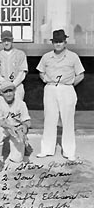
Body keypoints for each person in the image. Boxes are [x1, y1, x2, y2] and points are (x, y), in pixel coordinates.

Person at [36, 29, 85, 162]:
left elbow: (80, 74)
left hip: (66, 89)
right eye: (56, 42)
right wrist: (46, 80)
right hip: (50, 88)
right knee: (49, 119)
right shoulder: (46, 57)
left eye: (60, 41)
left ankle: (69, 151)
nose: (58, 44)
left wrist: (69, 84)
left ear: (65, 42)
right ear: (52, 43)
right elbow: (41, 72)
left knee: (68, 121)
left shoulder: (73, 56)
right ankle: (46, 149)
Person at [0, 81, 31, 172]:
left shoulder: (21, 103)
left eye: (10, 91)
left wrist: (23, 129)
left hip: (17, 129)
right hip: (5, 127)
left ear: (14, 91)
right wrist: (9, 127)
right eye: (6, 91)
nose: (8, 94)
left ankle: (24, 145)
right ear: (2, 93)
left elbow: (27, 121)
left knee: (17, 159)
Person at [0, 30, 28, 100]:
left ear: (12, 40)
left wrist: (12, 85)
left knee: (16, 109)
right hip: (1, 85)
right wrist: (5, 84)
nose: (6, 43)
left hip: (16, 85)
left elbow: (22, 73)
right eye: (4, 41)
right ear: (1, 41)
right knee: (0, 107)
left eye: (8, 40)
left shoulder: (20, 54)